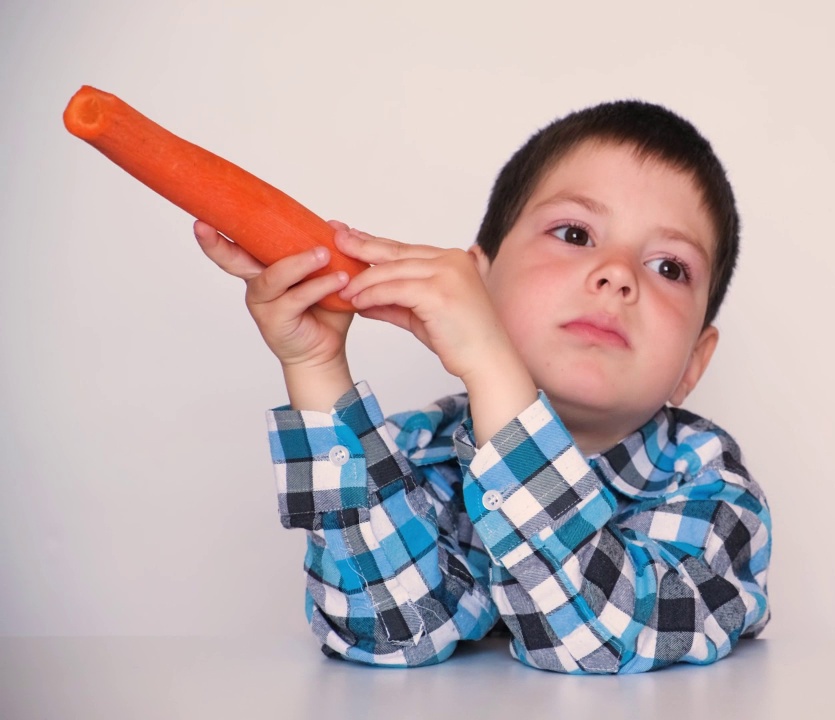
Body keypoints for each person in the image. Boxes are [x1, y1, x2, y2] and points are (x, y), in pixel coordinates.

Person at [194, 100, 771, 674]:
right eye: (575, 233)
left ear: (694, 364)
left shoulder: (712, 489)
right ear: (479, 282)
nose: (618, 274)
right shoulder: (419, 453)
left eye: (669, 268)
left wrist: (493, 364)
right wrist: (318, 368)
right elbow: (393, 632)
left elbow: (602, 638)